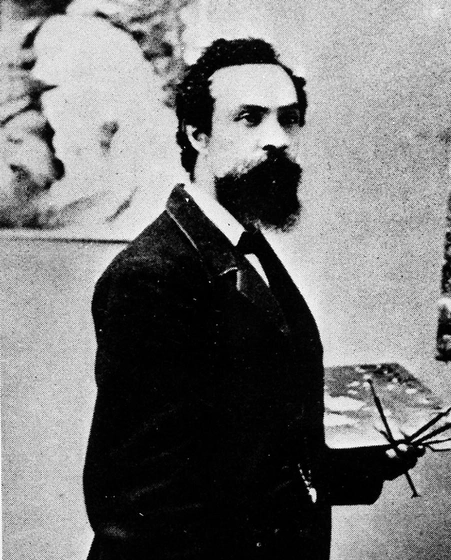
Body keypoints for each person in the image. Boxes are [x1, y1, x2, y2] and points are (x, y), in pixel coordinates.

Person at [84, 37, 422, 560]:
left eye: (288, 120)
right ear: (198, 135)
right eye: (250, 118)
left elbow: (259, 445)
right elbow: (141, 500)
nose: (277, 139)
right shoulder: (153, 274)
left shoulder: (245, 246)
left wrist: (365, 461)